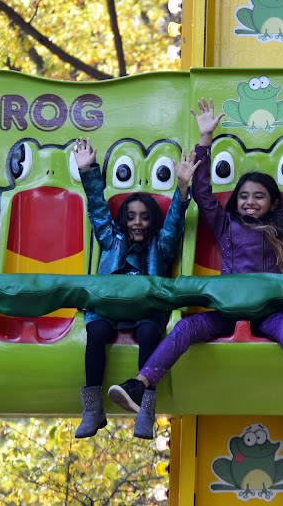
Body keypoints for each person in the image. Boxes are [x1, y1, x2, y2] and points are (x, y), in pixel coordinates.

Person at [108, 98, 283, 436]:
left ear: (273, 202)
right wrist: (205, 141)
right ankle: (139, 384)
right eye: (244, 195)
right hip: (227, 312)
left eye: (258, 196)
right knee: (185, 329)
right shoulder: (226, 225)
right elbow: (203, 193)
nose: (249, 201)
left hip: (269, 312)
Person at [72, 137, 198, 439]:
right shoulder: (112, 239)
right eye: (130, 217)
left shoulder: (160, 244)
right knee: (97, 333)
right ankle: (92, 408)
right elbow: (98, 210)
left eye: (143, 217)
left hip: (145, 309)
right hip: (110, 306)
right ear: (123, 221)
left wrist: (182, 187)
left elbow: (174, 223)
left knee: (149, 333)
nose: (137, 222)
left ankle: (145, 408)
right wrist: (88, 170)